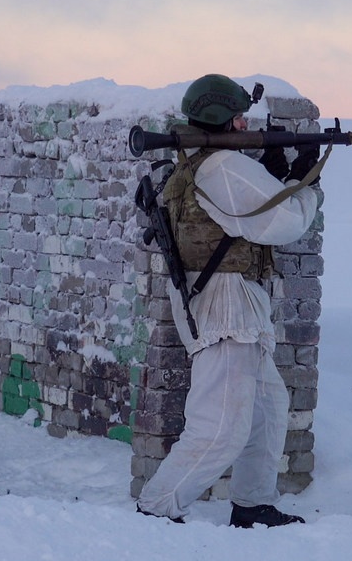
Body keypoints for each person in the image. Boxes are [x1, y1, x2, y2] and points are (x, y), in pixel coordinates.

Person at [136, 74, 321, 527]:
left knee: (266, 409)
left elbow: (243, 211)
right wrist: (303, 181)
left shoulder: (208, 162)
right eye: (238, 117)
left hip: (227, 298)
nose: (244, 124)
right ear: (222, 118)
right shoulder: (223, 168)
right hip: (226, 303)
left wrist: (275, 175)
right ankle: (156, 510)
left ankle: (253, 503)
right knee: (220, 425)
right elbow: (283, 222)